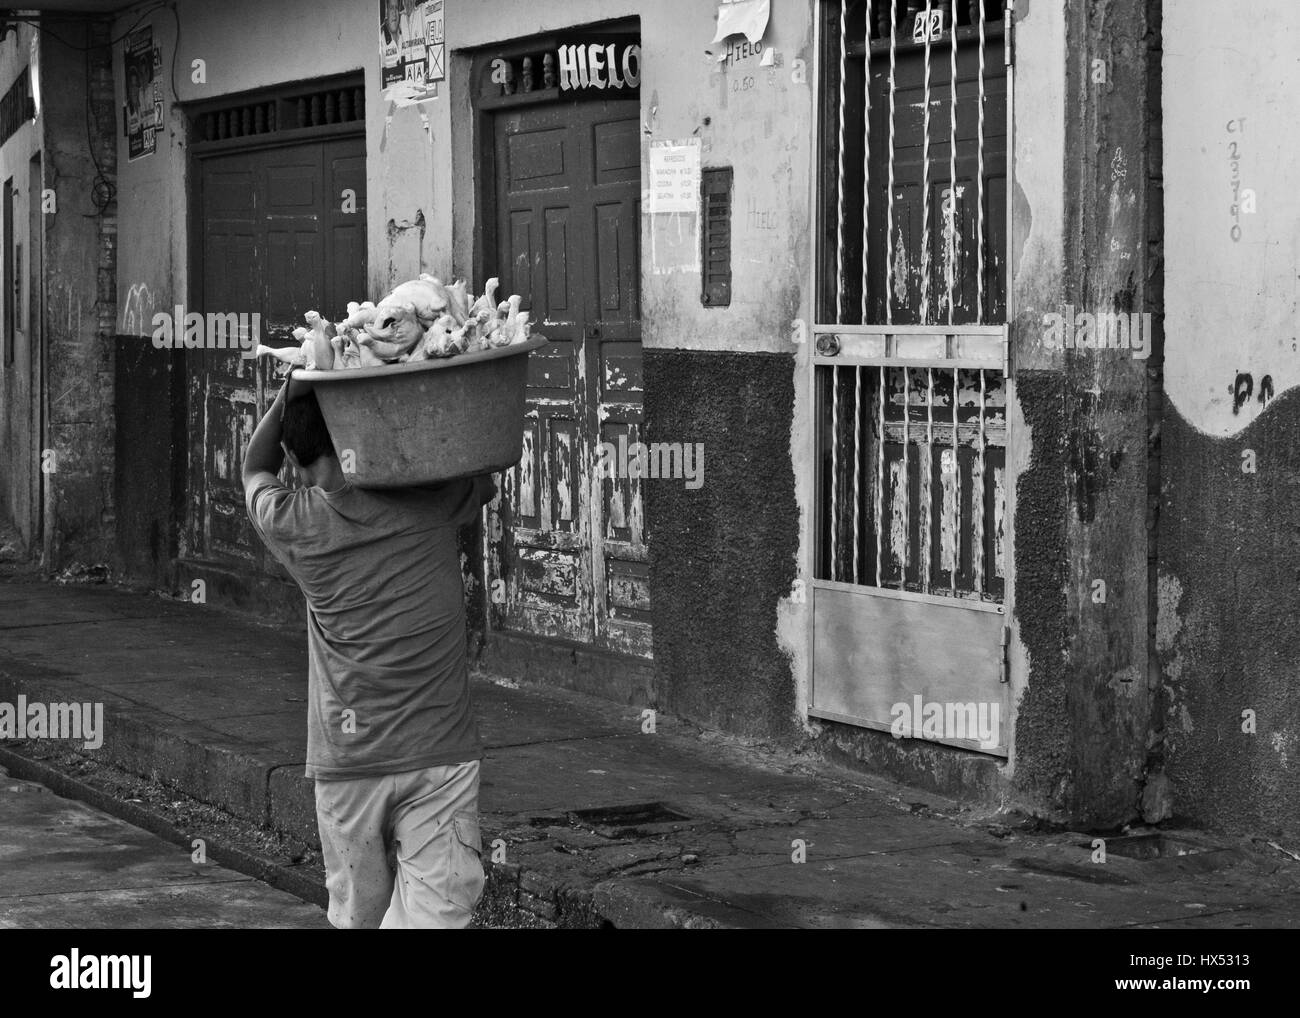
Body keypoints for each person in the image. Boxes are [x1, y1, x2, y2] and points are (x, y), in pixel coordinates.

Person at [242, 374, 494, 929]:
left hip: (347, 763)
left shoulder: (294, 523)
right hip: (439, 755)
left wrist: (293, 389)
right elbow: (486, 463)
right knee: (434, 919)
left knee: (359, 919)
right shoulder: (431, 501)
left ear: (296, 457)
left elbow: (252, 467)